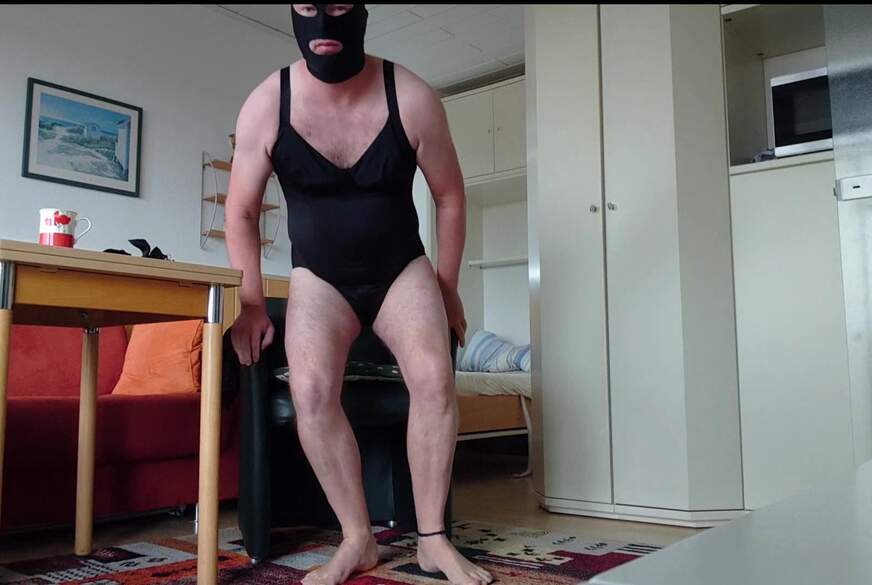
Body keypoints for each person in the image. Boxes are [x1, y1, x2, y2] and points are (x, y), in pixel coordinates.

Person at [225, 4, 494, 585]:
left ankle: (432, 541)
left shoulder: (411, 96)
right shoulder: (268, 104)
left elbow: (449, 196)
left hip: (402, 270)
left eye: (340, 6)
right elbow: (241, 211)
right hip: (318, 278)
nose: (323, 22)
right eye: (307, 7)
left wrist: (447, 287)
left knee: (434, 378)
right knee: (310, 390)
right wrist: (251, 302)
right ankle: (357, 539)